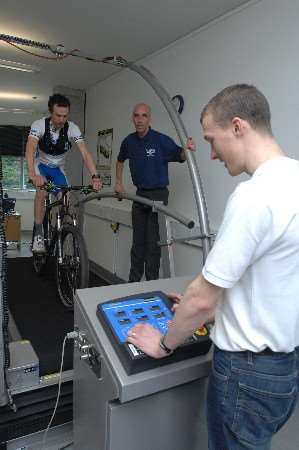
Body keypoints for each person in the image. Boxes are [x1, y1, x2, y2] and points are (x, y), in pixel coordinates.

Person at [127, 85, 299, 449]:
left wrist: (163, 343)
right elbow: (275, 280)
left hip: (245, 373)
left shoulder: (254, 196)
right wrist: (217, 313)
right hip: (285, 370)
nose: (211, 153)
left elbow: (202, 298)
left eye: (211, 139)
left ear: (238, 127)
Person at [114, 102, 194, 282]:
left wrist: (186, 151)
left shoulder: (160, 140)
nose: (140, 119)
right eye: (136, 115)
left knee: (153, 244)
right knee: (138, 243)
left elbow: (179, 155)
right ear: (132, 118)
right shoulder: (129, 141)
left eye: (144, 115)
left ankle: (150, 285)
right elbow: (120, 160)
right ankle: (133, 284)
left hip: (158, 196)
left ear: (150, 119)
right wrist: (118, 182)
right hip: (139, 195)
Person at [26, 93, 102, 252]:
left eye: (65, 116)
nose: (61, 119)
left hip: (58, 169)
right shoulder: (39, 125)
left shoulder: (72, 128)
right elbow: (31, 148)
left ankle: (59, 227)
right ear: (50, 112)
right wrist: (33, 174)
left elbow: (85, 154)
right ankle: (39, 233)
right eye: (58, 115)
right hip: (41, 167)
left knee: (67, 201)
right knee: (41, 193)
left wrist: (95, 176)